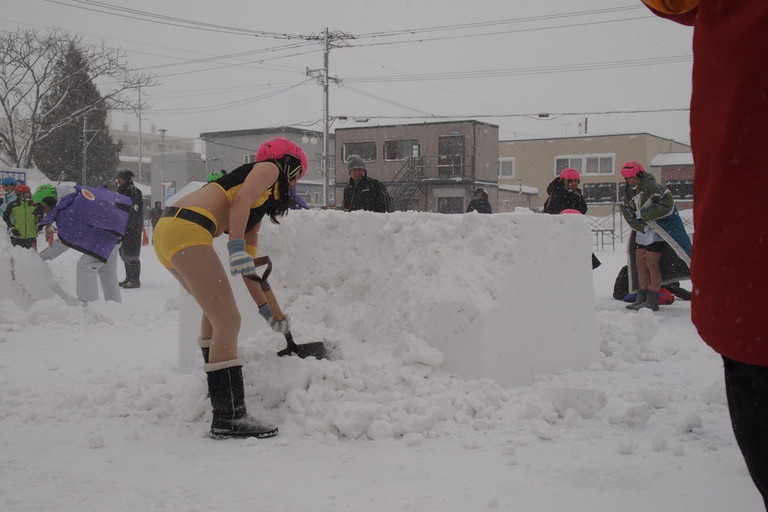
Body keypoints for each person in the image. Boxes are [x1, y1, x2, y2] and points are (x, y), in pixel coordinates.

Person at [641, 1, 768, 506]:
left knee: (653, 265)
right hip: (749, 281)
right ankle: (648, 295)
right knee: (644, 264)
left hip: (751, 285)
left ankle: (656, 294)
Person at [153, 136, 309, 440]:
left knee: (215, 312)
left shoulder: (255, 213)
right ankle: (229, 415)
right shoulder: (269, 168)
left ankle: (218, 395)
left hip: (170, 230)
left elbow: (249, 266)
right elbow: (239, 202)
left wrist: (266, 309)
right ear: (291, 165)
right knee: (228, 320)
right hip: (188, 229)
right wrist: (235, 244)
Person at [618, 160, 692, 311]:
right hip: (642, 231)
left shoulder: (652, 186)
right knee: (640, 265)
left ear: (639, 174)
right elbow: (627, 209)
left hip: (655, 231)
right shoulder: (628, 191)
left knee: (653, 265)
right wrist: (639, 224)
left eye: (632, 177)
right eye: (627, 178)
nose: (630, 181)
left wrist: (645, 215)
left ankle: (652, 299)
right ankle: (641, 297)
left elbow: (667, 204)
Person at [37, 185, 129, 303]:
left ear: (48, 202)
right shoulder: (74, 197)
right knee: (106, 270)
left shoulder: (67, 212)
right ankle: (114, 305)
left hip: (105, 238)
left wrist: (41, 257)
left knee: (86, 266)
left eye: (42, 208)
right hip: (115, 233)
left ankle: (89, 306)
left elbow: (63, 243)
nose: (43, 212)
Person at [115, 169, 144, 289]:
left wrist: (130, 226)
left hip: (132, 227)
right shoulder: (121, 190)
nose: (118, 180)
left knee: (132, 253)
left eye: (120, 178)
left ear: (126, 179)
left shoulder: (133, 191)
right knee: (125, 252)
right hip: (123, 226)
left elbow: (134, 210)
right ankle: (128, 278)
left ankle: (134, 280)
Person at [3, 184, 40, 249]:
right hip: (17, 237)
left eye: (29, 192)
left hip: (31, 238)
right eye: (25, 193)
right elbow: (5, 217)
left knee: (33, 258)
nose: (28, 194)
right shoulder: (13, 205)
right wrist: (11, 228)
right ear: (19, 194)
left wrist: (38, 225)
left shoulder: (34, 205)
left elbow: (39, 217)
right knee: (19, 258)